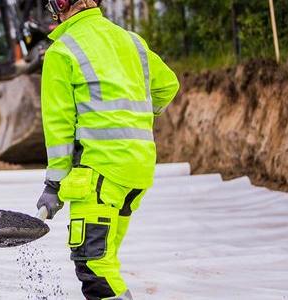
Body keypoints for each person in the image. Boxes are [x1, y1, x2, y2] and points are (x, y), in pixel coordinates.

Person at [34, 1, 180, 299]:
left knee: (93, 264)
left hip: (100, 174)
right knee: (106, 259)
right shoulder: (132, 41)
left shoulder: (62, 52)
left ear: (60, 5)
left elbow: (59, 127)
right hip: (136, 170)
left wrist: (53, 184)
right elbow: (167, 85)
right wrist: (134, 119)